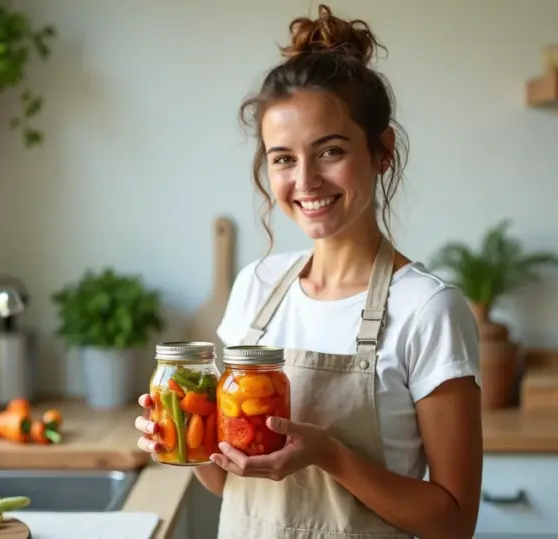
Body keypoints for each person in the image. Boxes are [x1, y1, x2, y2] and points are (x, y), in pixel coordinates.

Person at [134, 5, 483, 538]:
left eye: (330, 151)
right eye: (283, 158)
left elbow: (455, 522)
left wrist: (330, 455)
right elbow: (228, 483)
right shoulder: (256, 287)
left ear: (382, 151)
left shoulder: (427, 309)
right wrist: (183, 434)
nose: (306, 181)